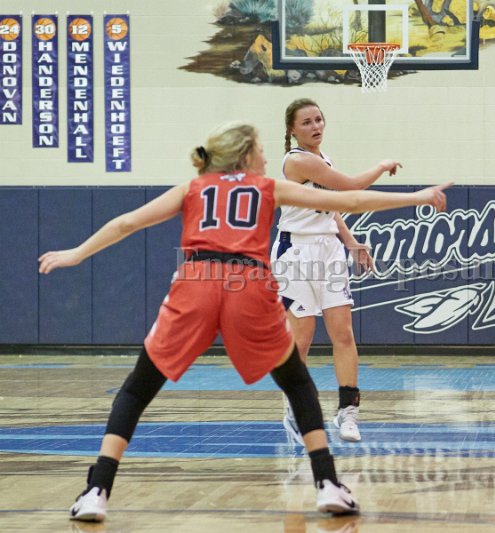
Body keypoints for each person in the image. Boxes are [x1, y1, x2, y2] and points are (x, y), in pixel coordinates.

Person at [38, 122, 450, 523]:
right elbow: (353, 201)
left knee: (136, 389)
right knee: (297, 383)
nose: (267, 157)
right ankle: (327, 483)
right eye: (261, 151)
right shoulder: (265, 187)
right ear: (246, 155)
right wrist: (418, 196)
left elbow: (127, 222)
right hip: (247, 284)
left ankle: (97, 490)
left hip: (197, 282)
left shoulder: (193, 187)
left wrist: (76, 253)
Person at [272, 98, 401, 444]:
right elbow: (350, 188)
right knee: (301, 340)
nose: (315, 126)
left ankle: (348, 413)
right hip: (296, 252)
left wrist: (352, 242)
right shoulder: (297, 161)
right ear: (292, 130)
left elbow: (333, 208)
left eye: (318, 119)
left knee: (343, 334)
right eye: (306, 122)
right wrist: (381, 166)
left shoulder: (323, 160)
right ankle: (295, 409)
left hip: (328, 251)